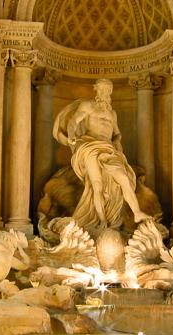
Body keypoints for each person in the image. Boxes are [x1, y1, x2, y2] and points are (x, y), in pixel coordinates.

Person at [53, 79, 150, 232]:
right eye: (102, 89)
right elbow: (74, 121)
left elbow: (117, 133)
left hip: (109, 148)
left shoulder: (112, 113)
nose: (105, 92)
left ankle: (137, 212)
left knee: (124, 178)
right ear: (96, 90)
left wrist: (117, 143)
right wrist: (71, 136)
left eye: (108, 89)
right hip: (89, 146)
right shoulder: (88, 106)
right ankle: (102, 220)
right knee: (96, 185)